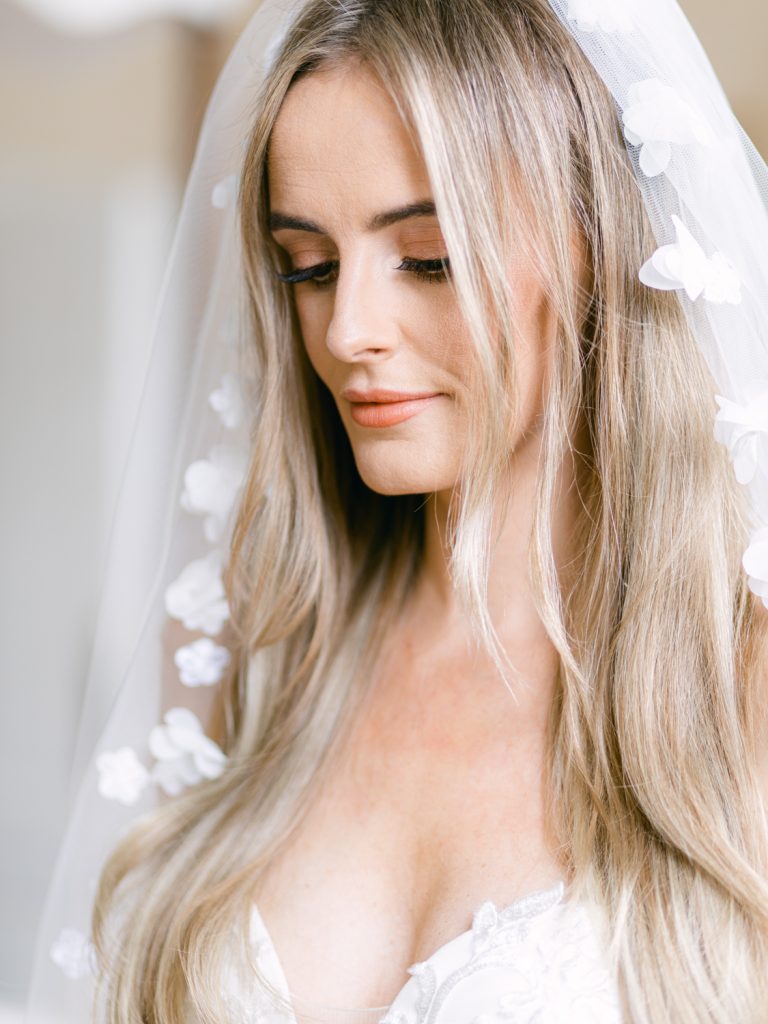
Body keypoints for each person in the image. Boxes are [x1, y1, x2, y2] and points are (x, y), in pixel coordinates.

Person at [26, 1, 768, 1022]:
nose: (348, 330)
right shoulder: (273, 652)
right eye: (311, 266)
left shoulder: (741, 686)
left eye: (427, 258)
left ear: (592, 239)